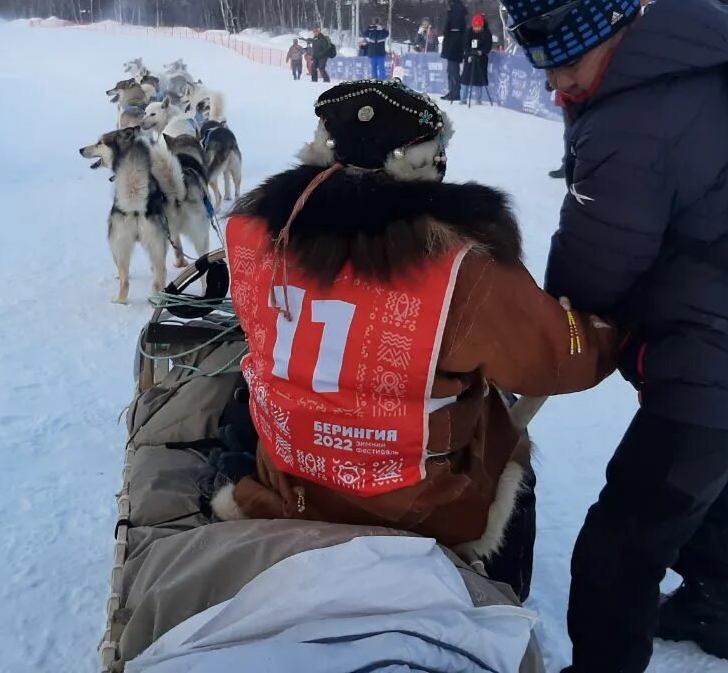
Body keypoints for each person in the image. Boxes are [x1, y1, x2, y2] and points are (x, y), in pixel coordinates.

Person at [499, 0, 728, 673]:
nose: (555, 88)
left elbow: (590, 275)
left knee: (618, 547)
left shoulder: (634, 120)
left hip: (727, 351)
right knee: (695, 473)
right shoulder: (685, 57)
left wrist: (516, 344)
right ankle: (716, 602)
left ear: (604, 32)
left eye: (565, 66)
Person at [217, 78, 616, 600]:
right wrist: (605, 326)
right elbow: (559, 362)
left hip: (292, 479)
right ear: (419, 161)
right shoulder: (460, 264)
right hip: (419, 503)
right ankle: (502, 594)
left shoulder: (251, 231)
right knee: (510, 452)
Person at [460, 13, 493, 103]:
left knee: (479, 79)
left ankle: (478, 100)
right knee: (466, 78)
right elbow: (465, 44)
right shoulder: (469, 31)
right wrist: (470, 52)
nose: (477, 29)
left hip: (481, 59)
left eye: (479, 27)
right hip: (470, 57)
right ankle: (463, 99)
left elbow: (488, 45)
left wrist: (481, 52)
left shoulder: (486, 32)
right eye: (475, 27)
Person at [440, 0, 467, 101]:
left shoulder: (456, 15)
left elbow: (451, 31)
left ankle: (455, 92)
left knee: (453, 71)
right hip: (453, 47)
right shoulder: (457, 15)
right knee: (451, 71)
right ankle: (452, 91)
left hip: (453, 48)